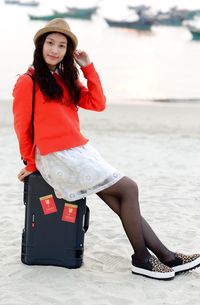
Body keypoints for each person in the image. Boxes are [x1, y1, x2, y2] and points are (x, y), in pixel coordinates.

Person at [12, 18, 200, 280]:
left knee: (121, 199)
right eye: (50, 43)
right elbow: (22, 127)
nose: (54, 50)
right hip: (56, 157)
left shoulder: (66, 78)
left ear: (68, 51)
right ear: (40, 46)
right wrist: (30, 165)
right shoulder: (28, 82)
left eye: (61, 45)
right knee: (129, 188)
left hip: (79, 151)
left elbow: (97, 103)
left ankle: (165, 256)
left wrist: (88, 68)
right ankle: (143, 259)